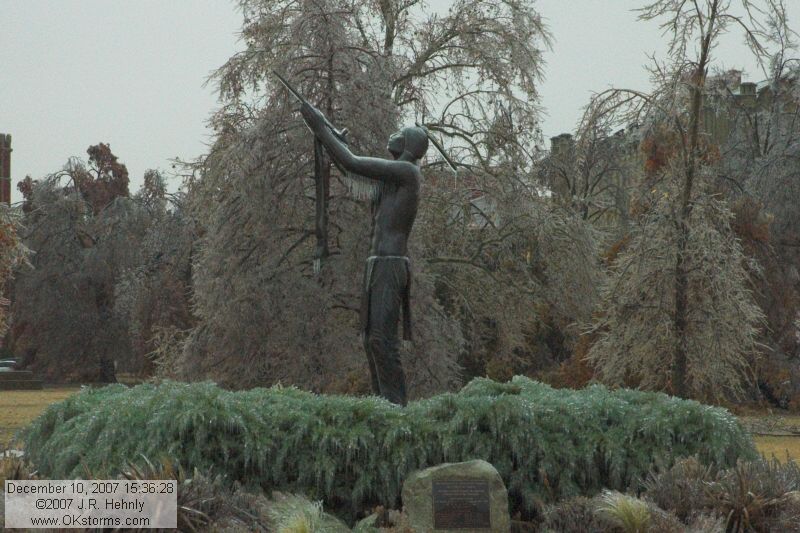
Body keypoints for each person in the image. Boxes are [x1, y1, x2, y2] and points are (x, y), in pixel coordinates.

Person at [300, 102, 429, 406]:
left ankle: (395, 410)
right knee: (371, 340)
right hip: (378, 265)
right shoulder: (392, 180)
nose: (393, 135)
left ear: (408, 144)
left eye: (401, 132)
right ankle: (382, 404)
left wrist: (318, 125)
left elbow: (353, 163)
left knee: (383, 341)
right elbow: (348, 165)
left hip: (389, 265)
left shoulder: (407, 172)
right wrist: (332, 140)